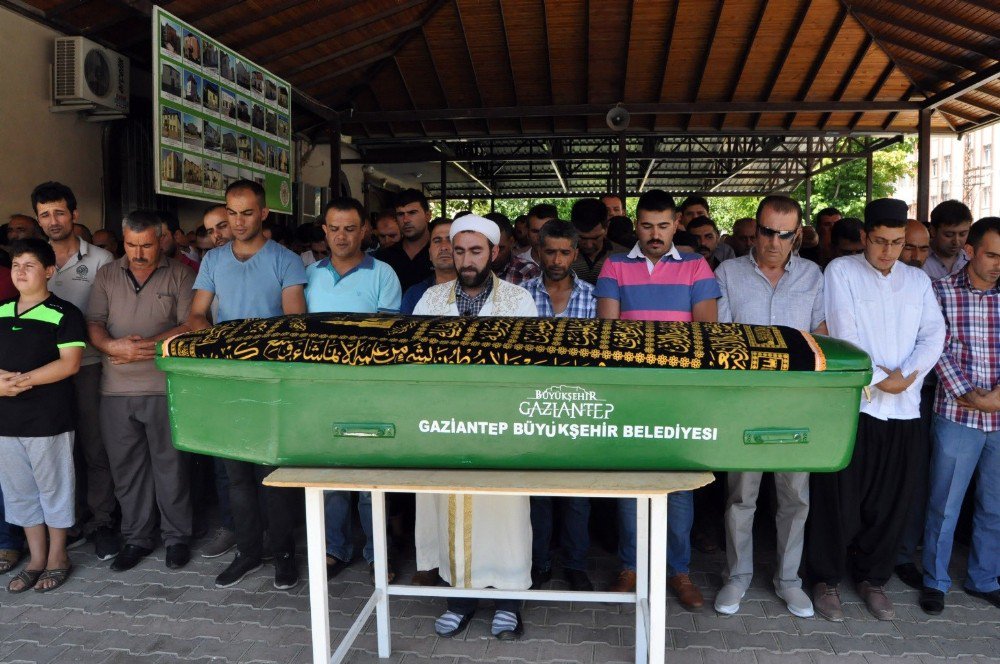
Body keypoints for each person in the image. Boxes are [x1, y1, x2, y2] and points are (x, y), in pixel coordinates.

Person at [809, 198, 945, 622]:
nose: (889, 251)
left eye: (898, 243)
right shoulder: (841, 272)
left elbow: (934, 332)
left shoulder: (917, 282)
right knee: (840, 500)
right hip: (855, 405)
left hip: (904, 407)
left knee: (890, 503)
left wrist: (909, 374)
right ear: (865, 237)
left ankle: (873, 580)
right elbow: (844, 332)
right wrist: (878, 377)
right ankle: (826, 580)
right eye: (881, 241)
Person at [413, 214, 536, 640]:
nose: (465, 259)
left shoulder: (519, 302)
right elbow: (416, 362)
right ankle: (459, 600)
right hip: (444, 425)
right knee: (449, 507)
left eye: (475, 250)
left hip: (501, 426)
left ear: (495, 253)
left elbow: (526, 368)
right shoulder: (430, 300)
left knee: (504, 515)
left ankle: (509, 602)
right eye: (458, 249)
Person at [595, 189, 720, 610]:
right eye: (647, 226)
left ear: (676, 225)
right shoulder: (613, 265)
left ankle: (678, 572)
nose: (655, 234)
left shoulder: (697, 266)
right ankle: (630, 567)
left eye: (663, 226)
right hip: (630, 392)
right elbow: (607, 335)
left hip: (680, 394)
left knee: (679, 487)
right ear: (636, 225)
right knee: (631, 482)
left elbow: (705, 336)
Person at [187, 180, 307, 590]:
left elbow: (293, 323)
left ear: (264, 213)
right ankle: (248, 551)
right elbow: (197, 314)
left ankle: (284, 552)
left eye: (247, 213)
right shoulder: (213, 260)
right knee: (235, 474)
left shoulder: (286, 260)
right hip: (228, 381)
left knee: (272, 474)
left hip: (271, 381)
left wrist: (254, 352)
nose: (238, 222)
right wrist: (217, 344)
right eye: (232, 213)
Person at [714, 195, 826, 618]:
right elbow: (721, 340)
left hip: (797, 404)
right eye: (767, 231)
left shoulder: (813, 276)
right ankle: (737, 577)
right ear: (755, 230)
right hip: (746, 403)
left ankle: (789, 580)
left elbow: (823, 336)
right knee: (742, 496)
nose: (774, 242)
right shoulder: (727, 273)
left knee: (795, 496)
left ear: (797, 235)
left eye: (784, 234)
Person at [86, 210, 195, 572]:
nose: (138, 253)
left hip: (164, 387)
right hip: (115, 390)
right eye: (131, 245)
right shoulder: (106, 274)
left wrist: (143, 346)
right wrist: (113, 347)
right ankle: (136, 538)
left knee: (170, 466)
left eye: (146, 244)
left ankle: (177, 537)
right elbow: (95, 324)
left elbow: (189, 325)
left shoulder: (179, 274)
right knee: (127, 469)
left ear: (161, 239)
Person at [304, 197, 402, 581]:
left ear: (365, 230)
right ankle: (333, 549)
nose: (341, 236)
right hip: (319, 388)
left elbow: (386, 336)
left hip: (367, 389)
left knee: (368, 480)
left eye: (350, 228)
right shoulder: (308, 275)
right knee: (329, 472)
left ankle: (378, 553)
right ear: (324, 231)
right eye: (334, 228)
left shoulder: (383, 274)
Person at [32, 181, 118, 560]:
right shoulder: (32, 260)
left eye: (59, 213)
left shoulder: (101, 261)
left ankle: (101, 519)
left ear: (74, 214)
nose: (53, 221)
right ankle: (69, 520)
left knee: (93, 445)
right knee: (55, 449)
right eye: (45, 215)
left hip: (88, 367)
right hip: (43, 372)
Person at [919, 216, 1000, 614]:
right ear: (970, 251)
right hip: (957, 414)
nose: (999, 264)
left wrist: (997, 397)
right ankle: (935, 580)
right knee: (944, 503)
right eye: (992, 254)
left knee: (995, 505)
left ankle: (984, 578)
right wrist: (970, 394)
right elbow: (936, 347)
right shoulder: (940, 291)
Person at [0, 238, 86, 592]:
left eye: (30, 265)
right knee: (19, 491)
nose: (20, 272)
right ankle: (35, 559)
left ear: (49, 271)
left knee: (53, 489)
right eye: (16, 265)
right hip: (6, 420)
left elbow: (70, 364)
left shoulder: (65, 313)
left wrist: (22, 381)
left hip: (47, 419)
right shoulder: (1, 309)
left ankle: (57, 557)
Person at [522, 220, 596, 592]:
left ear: (575, 254)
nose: (556, 259)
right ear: (537, 252)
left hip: (579, 406)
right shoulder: (520, 295)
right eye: (549, 251)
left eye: (564, 252)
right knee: (538, 494)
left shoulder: (594, 297)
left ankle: (576, 564)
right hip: (532, 406)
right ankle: (539, 562)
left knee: (577, 496)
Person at [375, 189, 433, 293]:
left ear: (428, 216)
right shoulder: (384, 257)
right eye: (401, 214)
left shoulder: (441, 253)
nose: (406, 220)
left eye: (412, 213)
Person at [401, 217, 454, 315]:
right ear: (429, 254)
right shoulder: (415, 294)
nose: (443, 247)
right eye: (437, 241)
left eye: (450, 240)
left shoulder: (476, 292)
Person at [569, 198, 628, 285]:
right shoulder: (561, 257)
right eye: (582, 238)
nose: (589, 245)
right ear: (573, 229)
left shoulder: (624, 258)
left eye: (595, 238)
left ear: (606, 228)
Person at [924, 200, 972, 281]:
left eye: (962, 234)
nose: (956, 241)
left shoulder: (970, 261)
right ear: (933, 231)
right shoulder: (919, 259)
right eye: (949, 235)